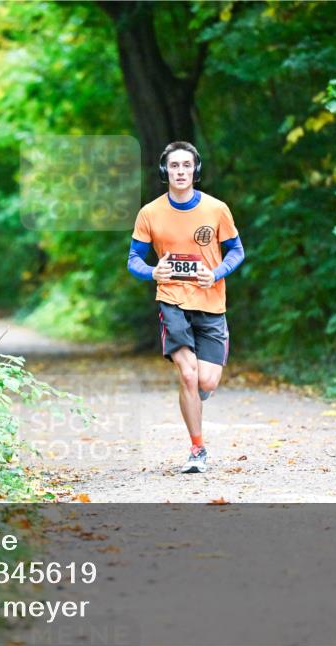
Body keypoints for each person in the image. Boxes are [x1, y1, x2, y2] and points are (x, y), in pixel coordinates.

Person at [126, 141, 245, 473]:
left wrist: (217, 273)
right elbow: (133, 259)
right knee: (189, 376)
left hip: (211, 302)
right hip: (172, 300)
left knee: (206, 382)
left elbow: (237, 251)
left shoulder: (217, 209)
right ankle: (197, 449)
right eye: (174, 166)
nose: (181, 171)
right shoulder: (150, 213)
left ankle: (198, 392)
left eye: (186, 165)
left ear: (195, 170)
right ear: (166, 171)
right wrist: (152, 271)